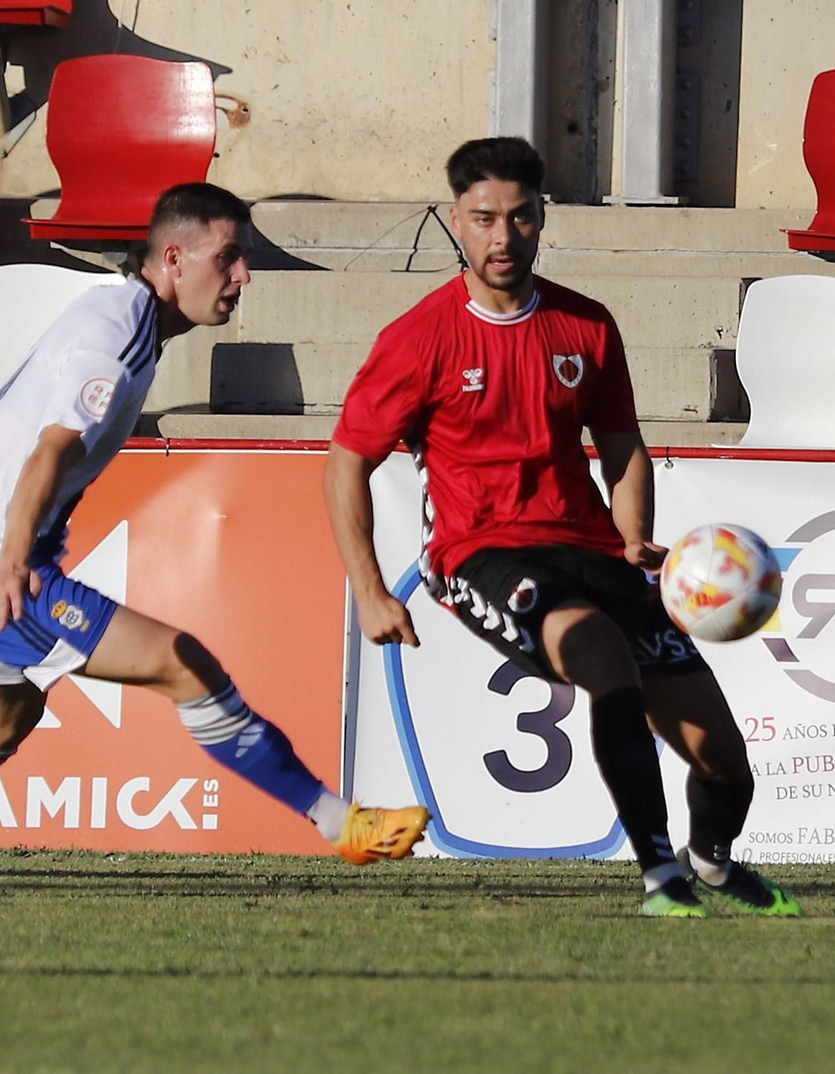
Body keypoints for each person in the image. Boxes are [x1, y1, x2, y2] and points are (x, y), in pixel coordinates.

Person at [0, 182, 431, 905]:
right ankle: (339, 822)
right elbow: (48, 451)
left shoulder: (114, 312)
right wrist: (5, 561)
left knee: (2, 718)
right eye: (230, 259)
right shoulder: (118, 334)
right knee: (184, 666)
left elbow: (1, 413)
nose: (243, 277)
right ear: (176, 258)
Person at [322, 136, 800, 918]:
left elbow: (623, 448)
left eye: (519, 217)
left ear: (543, 219)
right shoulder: (419, 339)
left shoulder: (585, 326)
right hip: (478, 553)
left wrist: (634, 532)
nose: (502, 237)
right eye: (484, 219)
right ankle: (659, 878)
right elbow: (345, 462)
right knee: (604, 657)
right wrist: (371, 590)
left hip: (588, 549)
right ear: (458, 221)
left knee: (723, 758)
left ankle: (708, 863)